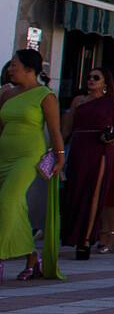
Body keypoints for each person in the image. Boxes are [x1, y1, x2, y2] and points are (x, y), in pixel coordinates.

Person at [1, 50, 64, 280]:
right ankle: (31, 257)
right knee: (15, 206)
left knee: (7, 201)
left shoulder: (46, 95)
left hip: (28, 155)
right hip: (4, 154)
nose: (9, 69)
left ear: (30, 70)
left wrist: (60, 158)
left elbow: (54, 130)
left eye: (14, 65)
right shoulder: (6, 95)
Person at [62, 67, 114, 259]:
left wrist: (113, 139)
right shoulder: (78, 101)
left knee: (94, 194)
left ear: (104, 83)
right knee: (74, 192)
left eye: (96, 78)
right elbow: (67, 129)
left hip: (100, 149)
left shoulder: (113, 103)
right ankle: (72, 235)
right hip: (78, 148)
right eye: (89, 77)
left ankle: (86, 240)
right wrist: (56, 150)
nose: (91, 80)